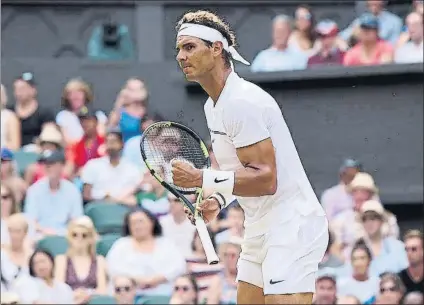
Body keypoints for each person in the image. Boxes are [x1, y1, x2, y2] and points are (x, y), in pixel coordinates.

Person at [172, 10, 328, 304]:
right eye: (179, 49)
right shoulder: (213, 106)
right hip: (258, 225)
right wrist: (216, 200)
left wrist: (200, 178)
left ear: (216, 48)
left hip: (292, 225)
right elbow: (239, 172)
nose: (181, 56)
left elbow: (266, 179)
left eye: (189, 47)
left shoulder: (243, 101)